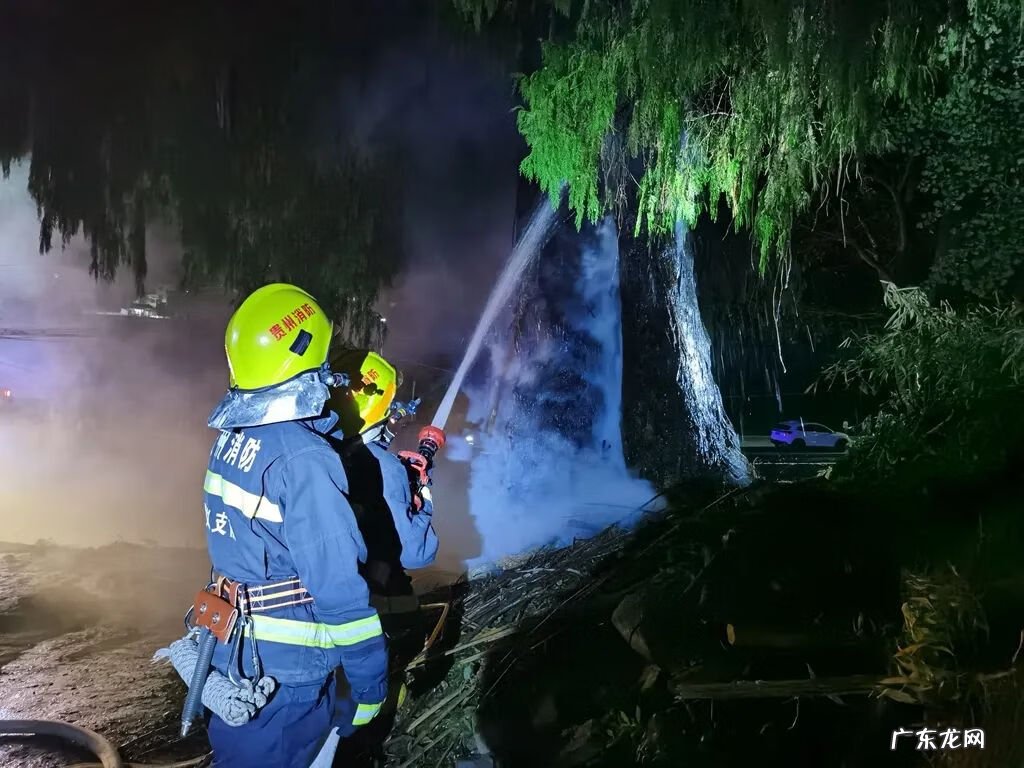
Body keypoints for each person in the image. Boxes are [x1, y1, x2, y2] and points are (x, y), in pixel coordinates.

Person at [198, 283, 387, 768]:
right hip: (285, 668)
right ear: (303, 352)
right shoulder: (305, 459)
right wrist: (369, 683)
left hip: (233, 644)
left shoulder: (235, 434)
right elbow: (338, 587)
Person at [321, 348, 441, 765]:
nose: (393, 417)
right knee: (395, 663)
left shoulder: (316, 450)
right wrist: (420, 491)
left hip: (320, 606)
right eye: (389, 408)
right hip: (376, 604)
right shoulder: (386, 468)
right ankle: (371, 737)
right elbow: (419, 552)